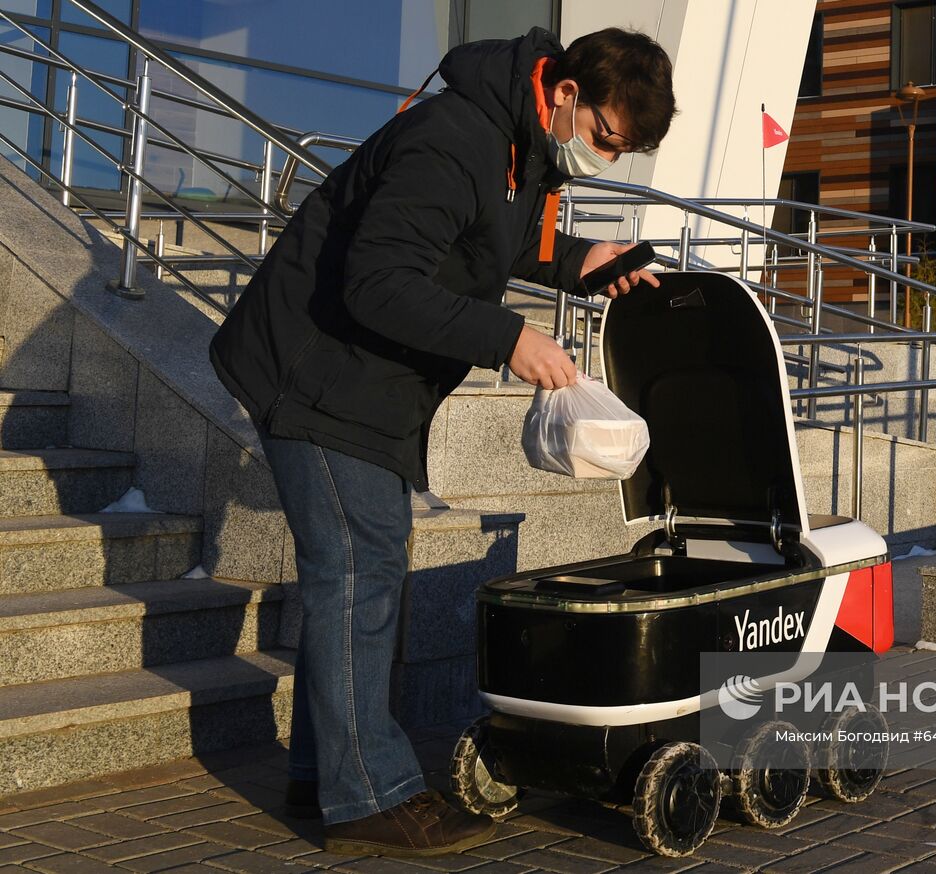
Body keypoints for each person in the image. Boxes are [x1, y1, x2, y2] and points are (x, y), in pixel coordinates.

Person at [209, 26, 676, 858]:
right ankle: (369, 799)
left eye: (624, 150)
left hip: (363, 387)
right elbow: (379, 280)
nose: (606, 156)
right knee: (360, 571)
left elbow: (484, 242)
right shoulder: (454, 137)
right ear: (565, 94)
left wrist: (581, 261)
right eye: (607, 137)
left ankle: (329, 777)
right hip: (315, 374)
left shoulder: (518, 144)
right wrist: (509, 340)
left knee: (360, 572)